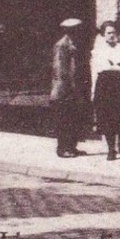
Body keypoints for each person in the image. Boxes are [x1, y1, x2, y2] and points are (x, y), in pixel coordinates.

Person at [91, 21, 120, 160]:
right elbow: (97, 69)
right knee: (106, 116)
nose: (112, 35)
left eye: (114, 32)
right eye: (108, 33)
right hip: (104, 84)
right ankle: (111, 149)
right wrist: (93, 90)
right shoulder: (98, 51)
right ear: (103, 35)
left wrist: (117, 67)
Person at [50, 18, 88, 158]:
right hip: (64, 89)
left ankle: (72, 147)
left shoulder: (74, 44)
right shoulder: (62, 45)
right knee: (64, 119)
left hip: (73, 88)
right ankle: (63, 148)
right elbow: (60, 69)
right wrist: (68, 87)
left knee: (73, 118)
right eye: (75, 29)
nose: (78, 32)